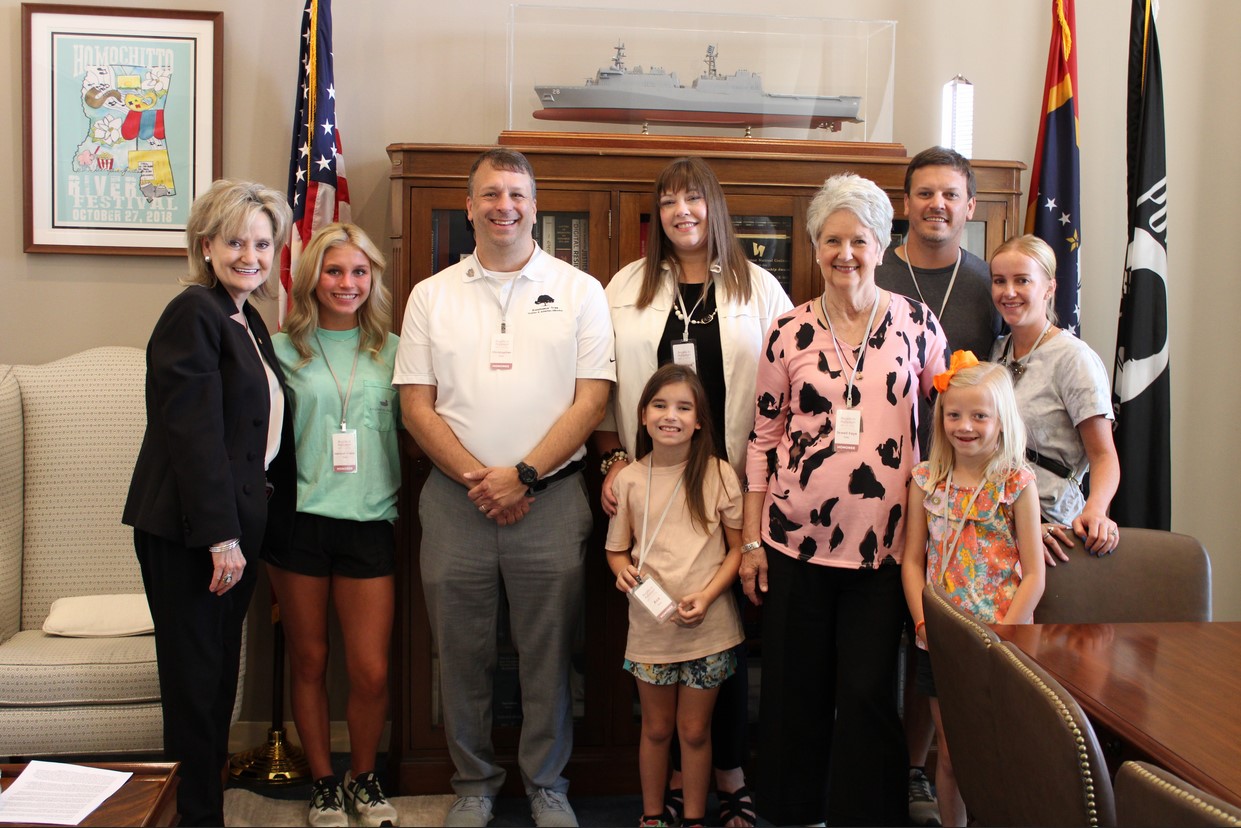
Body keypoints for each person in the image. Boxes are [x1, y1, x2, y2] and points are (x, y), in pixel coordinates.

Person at [393, 148, 615, 828]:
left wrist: (521, 476)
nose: (504, 206)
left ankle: (547, 784)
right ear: (469, 207)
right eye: (490, 194)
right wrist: (481, 480)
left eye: (516, 194)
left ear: (534, 206)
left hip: (551, 501)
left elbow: (592, 401)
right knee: (460, 654)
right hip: (454, 503)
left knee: (548, 654)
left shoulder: (580, 290)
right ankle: (473, 784)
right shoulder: (431, 295)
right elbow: (416, 406)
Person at [739, 172, 950, 826]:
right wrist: (750, 541)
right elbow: (762, 439)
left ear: (880, 245)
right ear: (815, 246)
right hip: (792, 542)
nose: (845, 253)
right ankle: (792, 814)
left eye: (858, 240)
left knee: (866, 695)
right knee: (792, 693)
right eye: (831, 240)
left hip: (885, 550)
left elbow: (945, 429)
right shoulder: (787, 331)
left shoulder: (918, 324)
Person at [595, 156, 790, 828]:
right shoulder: (627, 285)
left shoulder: (759, 287)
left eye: (694, 199)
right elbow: (602, 380)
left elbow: (787, 386)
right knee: (664, 628)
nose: (682, 212)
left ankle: (726, 771)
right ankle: (678, 778)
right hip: (651, 481)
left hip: (734, 485)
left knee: (720, 630)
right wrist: (613, 461)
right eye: (669, 201)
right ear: (658, 216)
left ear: (715, 207)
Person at [123, 179, 294, 827]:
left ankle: (203, 810)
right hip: (192, 532)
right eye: (235, 242)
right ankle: (194, 818)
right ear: (206, 246)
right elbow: (192, 435)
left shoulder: (244, 317)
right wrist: (221, 538)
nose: (250, 255)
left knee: (217, 676)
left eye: (262, 243)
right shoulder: (193, 312)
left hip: (233, 527)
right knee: (195, 686)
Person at [874, 145, 1000, 827]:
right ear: (905, 204)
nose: (937, 206)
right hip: (878, 484)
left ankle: (924, 772)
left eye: (950, 194)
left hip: (960, 489)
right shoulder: (876, 270)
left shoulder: (986, 284)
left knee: (936, 644)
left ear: (969, 206)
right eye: (924, 193)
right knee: (889, 638)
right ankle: (890, 768)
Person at [263, 223, 401, 828]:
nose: (347, 283)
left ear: (373, 279)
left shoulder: (395, 351)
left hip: (370, 522)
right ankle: (323, 784)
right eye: (334, 270)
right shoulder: (278, 350)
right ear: (311, 277)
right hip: (298, 524)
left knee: (370, 670)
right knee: (310, 661)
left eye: (359, 271)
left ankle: (362, 777)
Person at [902, 352, 1046, 826]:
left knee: (998, 750)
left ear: (1001, 420)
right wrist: (922, 623)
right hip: (941, 643)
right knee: (952, 752)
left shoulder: (1016, 484)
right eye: (954, 415)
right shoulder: (926, 481)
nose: (965, 427)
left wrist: (1004, 637)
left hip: (1001, 643)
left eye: (979, 416)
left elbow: (1034, 574)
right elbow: (912, 562)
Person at [605, 364, 745, 828]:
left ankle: (694, 818)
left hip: (710, 629)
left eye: (684, 407)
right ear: (642, 415)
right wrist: (622, 572)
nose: (671, 416)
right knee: (657, 728)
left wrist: (707, 596)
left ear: (699, 420)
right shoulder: (628, 480)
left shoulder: (719, 474)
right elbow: (616, 551)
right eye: (660, 405)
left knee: (695, 731)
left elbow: (737, 550)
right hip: (652, 632)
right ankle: (652, 816)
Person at [989, 235, 1121, 563]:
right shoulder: (998, 350)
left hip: (1052, 524)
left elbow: (1104, 456)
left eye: (1022, 280)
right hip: (997, 518)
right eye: (999, 281)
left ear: (1049, 288)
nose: (1009, 292)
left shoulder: (1074, 359)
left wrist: (1096, 511)